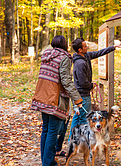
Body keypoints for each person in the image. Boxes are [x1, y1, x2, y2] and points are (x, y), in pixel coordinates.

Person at [31, 35, 83, 166]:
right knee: (52, 132)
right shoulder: (64, 58)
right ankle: (48, 163)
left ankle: (46, 161)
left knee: (46, 129)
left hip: (43, 96)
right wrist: (77, 99)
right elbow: (66, 80)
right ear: (65, 45)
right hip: (55, 99)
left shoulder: (46, 55)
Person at [68, 38, 121, 142]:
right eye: (85, 46)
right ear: (80, 49)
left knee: (80, 116)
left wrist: (114, 47)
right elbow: (83, 82)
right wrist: (91, 86)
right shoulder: (79, 63)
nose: (87, 47)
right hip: (82, 95)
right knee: (81, 118)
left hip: (83, 94)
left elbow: (98, 53)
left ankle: (77, 140)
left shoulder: (85, 56)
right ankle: (75, 140)